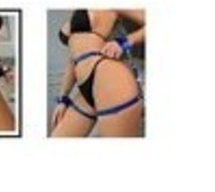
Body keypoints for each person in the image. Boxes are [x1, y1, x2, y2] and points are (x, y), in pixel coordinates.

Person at [50, 8, 145, 138]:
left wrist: (126, 41)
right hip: (87, 88)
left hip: (109, 79)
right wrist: (63, 98)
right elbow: (73, 58)